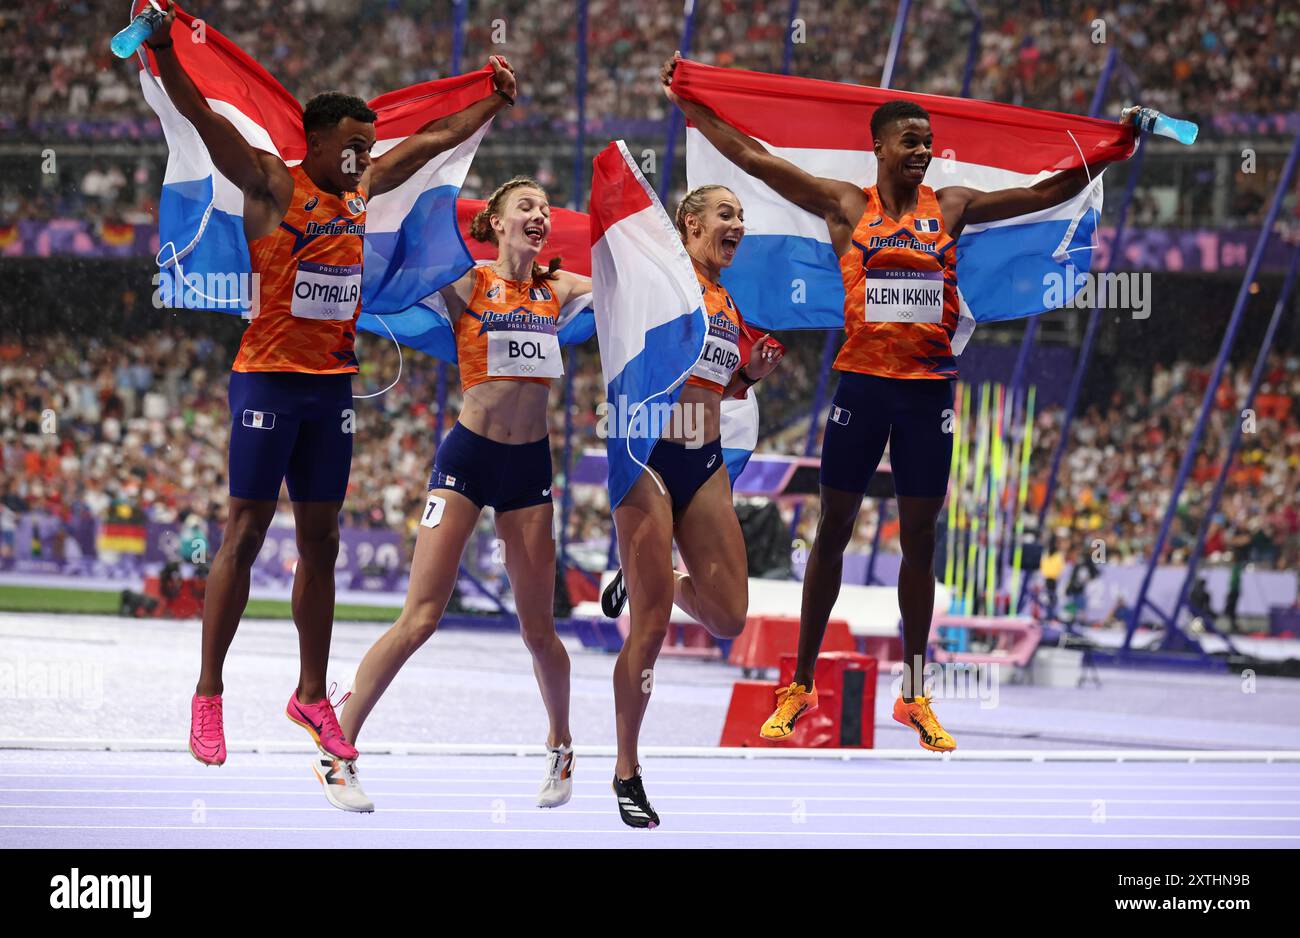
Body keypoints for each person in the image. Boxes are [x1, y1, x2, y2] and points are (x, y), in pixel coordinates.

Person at [660, 51, 1137, 750]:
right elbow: (754, 158)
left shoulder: (955, 207)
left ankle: (915, 693)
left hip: (927, 393)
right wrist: (690, 100)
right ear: (878, 145)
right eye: (910, 140)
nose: (922, 151)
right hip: (861, 386)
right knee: (832, 532)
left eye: (928, 143)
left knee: (921, 538)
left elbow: (1041, 194)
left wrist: (1109, 153)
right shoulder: (846, 205)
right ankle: (799, 684)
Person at [144, 3, 520, 769]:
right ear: (313, 142)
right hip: (266, 383)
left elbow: (437, 139)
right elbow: (197, 110)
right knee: (244, 534)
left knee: (323, 542)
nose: (361, 160)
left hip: (329, 390)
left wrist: (494, 100)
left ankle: (311, 696)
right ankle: (208, 693)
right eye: (350, 148)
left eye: (366, 148)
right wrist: (162, 49)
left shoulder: (362, 189)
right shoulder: (268, 182)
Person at [323, 177, 592, 812]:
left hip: (529, 470)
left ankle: (561, 744)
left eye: (545, 209)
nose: (540, 215)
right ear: (496, 221)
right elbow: (401, 251)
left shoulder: (558, 289)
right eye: (525, 206)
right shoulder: (467, 282)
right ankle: (338, 752)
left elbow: (627, 283)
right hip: (467, 459)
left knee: (539, 632)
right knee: (420, 617)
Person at [600, 185, 784, 828]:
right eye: (725, 214)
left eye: (742, 215)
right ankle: (627, 769)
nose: (738, 224)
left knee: (729, 618)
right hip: (646, 453)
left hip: (702, 458)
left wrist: (749, 376)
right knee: (648, 628)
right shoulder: (664, 277)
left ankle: (655, 577)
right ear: (690, 223)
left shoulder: (729, 303)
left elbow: (712, 380)